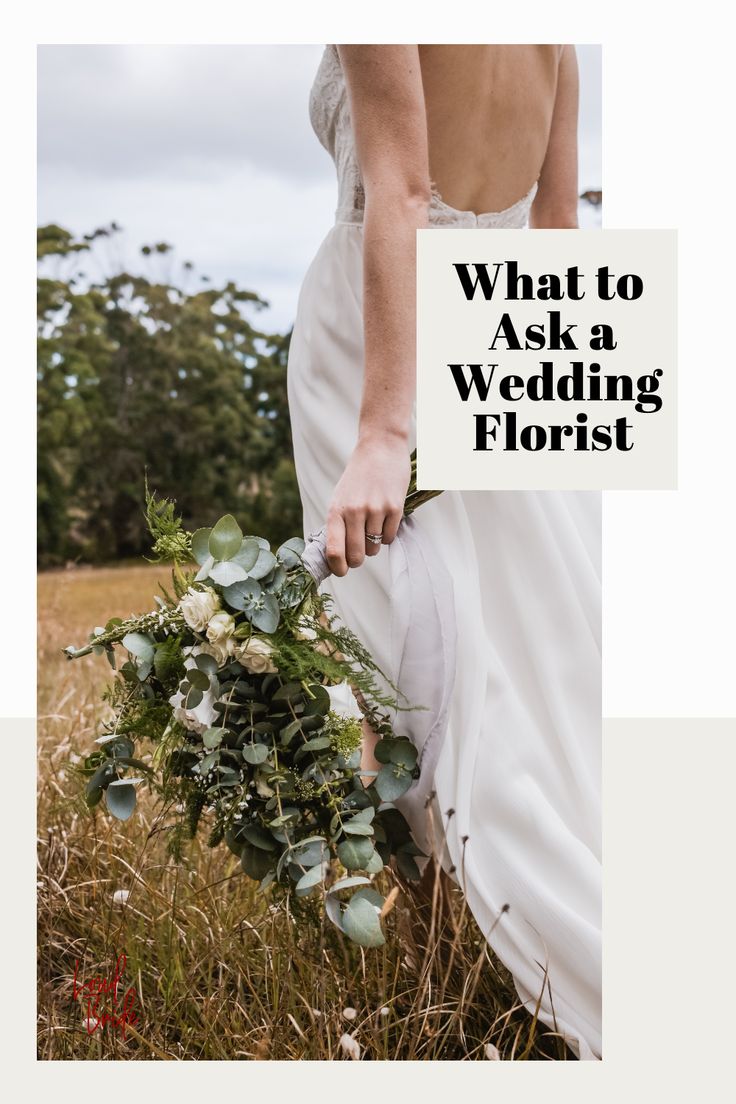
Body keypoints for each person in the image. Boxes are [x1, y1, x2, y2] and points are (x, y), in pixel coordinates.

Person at [287, 44, 601, 1060]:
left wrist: (384, 432)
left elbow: (404, 189)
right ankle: (462, 956)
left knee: (395, 659)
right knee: (526, 649)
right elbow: (556, 235)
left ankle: (469, 951)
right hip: (512, 341)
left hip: (380, 344)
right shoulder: (556, 42)